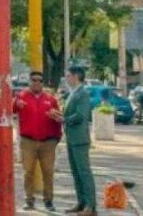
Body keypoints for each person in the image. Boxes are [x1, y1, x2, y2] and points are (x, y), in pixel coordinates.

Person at [49, 66, 97, 216]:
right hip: (71, 138)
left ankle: (90, 206)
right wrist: (59, 115)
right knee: (76, 172)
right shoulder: (72, 93)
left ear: (76, 76)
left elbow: (81, 115)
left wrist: (63, 119)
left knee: (84, 172)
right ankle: (81, 202)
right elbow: (71, 114)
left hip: (80, 139)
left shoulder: (82, 93)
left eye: (68, 75)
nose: (66, 78)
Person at [14, 71, 62, 211]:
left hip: (48, 143)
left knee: (48, 172)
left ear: (43, 82)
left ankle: (48, 201)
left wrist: (56, 138)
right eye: (34, 80)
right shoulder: (21, 97)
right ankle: (29, 201)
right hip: (28, 141)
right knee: (28, 172)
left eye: (40, 80)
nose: (37, 82)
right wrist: (16, 103)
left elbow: (58, 118)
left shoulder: (50, 99)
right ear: (29, 81)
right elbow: (11, 108)